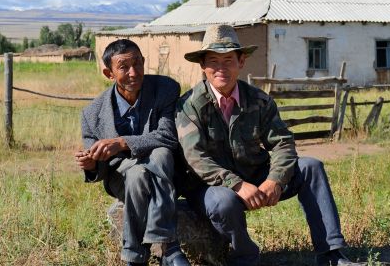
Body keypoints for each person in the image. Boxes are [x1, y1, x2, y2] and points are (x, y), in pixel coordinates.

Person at [176, 25, 359, 266]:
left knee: (311, 167)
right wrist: (237, 184)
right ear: (203, 65)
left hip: (255, 174)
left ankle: (331, 254)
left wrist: (276, 179)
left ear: (241, 62)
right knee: (224, 201)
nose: (221, 68)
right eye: (213, 61)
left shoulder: (259, 100)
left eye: (229, 60)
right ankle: (245, 256)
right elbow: (195, 158)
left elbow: (282, 143)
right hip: (210, 186)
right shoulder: (189, 106)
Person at [74, 39, 190, 266]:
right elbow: (97, 164)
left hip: (165, 173)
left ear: (144, 62)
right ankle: (170, 248)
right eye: (123, 67)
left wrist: (121, 142)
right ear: (109, 73)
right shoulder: (91, 114)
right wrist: (90, 165)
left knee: (161, 155)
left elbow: (167, 136)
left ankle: (135, 257)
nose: (134, 72)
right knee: (137, 173)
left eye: (137, 64)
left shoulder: (165, 89)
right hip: (121, 178)